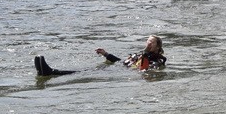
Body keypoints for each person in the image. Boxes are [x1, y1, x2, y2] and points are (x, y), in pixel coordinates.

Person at [34, 35, 166, 76]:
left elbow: (147, 70)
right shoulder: (142, 54)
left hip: (120, 73)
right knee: (85, 70)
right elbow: (122, 61)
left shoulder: (157, 59)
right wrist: (106, 54)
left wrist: (144, 64)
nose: (148, 44)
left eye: (151, 43)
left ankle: (49, 72)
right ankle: (47, 72)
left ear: (157, 47)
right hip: (119, 68)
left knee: (85, 73)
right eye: (147, 41)